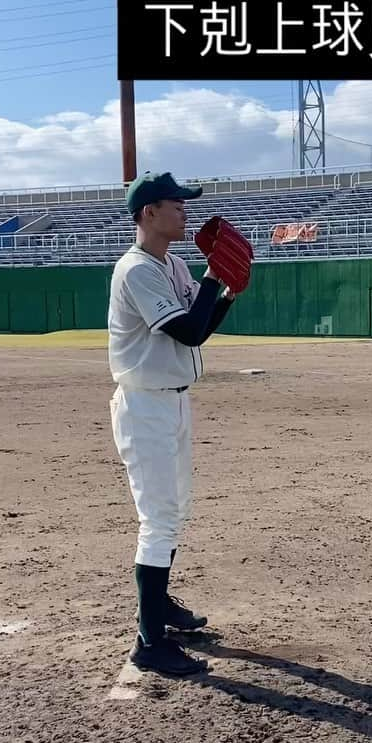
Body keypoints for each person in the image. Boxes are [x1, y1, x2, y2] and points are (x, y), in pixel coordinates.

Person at [107, 171, 237, 677]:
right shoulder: (136, 270)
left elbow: (200, 329)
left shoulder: (174, 263)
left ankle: (157, 607)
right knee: (158, 519)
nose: (185, 211)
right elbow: (183, 329)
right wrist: (211, 278)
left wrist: (225, 295)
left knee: (175, 509)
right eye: (176, 204)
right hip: (145, 407)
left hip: (174, 403)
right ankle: (149, 644)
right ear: (148, 213)